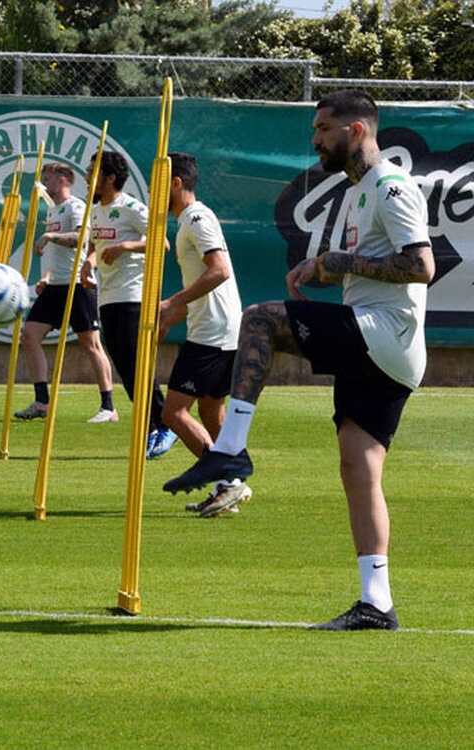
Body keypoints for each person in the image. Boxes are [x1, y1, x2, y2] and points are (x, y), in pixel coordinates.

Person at [164, 90, 434, 630]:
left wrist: (336, 260)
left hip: (384, 336)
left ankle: (233, 452)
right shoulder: (358, 192)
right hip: (382, 347)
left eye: (324, 129)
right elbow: (373, 265)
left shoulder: (390, 186)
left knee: (259, 319)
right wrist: (323, 270)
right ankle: (376, 603)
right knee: (358, 470)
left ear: (357, 130)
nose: (315, 139)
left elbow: (421, 265)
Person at [156, 152, 252, 517]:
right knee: (212, 409)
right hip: (219, 327)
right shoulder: (188, 221)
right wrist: (175, 314)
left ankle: (229, 482)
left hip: (213, 333)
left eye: (159, 185)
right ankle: (225, 487)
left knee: (173, 413)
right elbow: (206, 283)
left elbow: (220, 271)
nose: (154, 193)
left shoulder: (196, 218)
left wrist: (170, 303)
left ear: (176, 183)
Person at [78, 151, 177, 458]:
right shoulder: (95, 211)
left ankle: (165, 424)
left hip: (134, 296)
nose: (87, 177)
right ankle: (151, 425)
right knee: (123, 366)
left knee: (138, 363)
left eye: (93, 171)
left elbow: (162, 243)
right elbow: (97, 243)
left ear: (110, 177)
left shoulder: (132, 207)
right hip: (107, 298)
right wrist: (88, 263)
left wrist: (126, 246)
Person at [14, 163, 118, 423]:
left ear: (62, 180)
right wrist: (47, 276)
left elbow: (81, 240)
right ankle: (42, 402)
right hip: (55, 286)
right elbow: (56, 254)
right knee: (29, 336)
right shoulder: (53, 210)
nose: (43, 182)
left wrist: (49, 235)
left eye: (47, 177)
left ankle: (108, 406)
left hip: (78, 286)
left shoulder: (76, 207)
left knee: (91, 344)